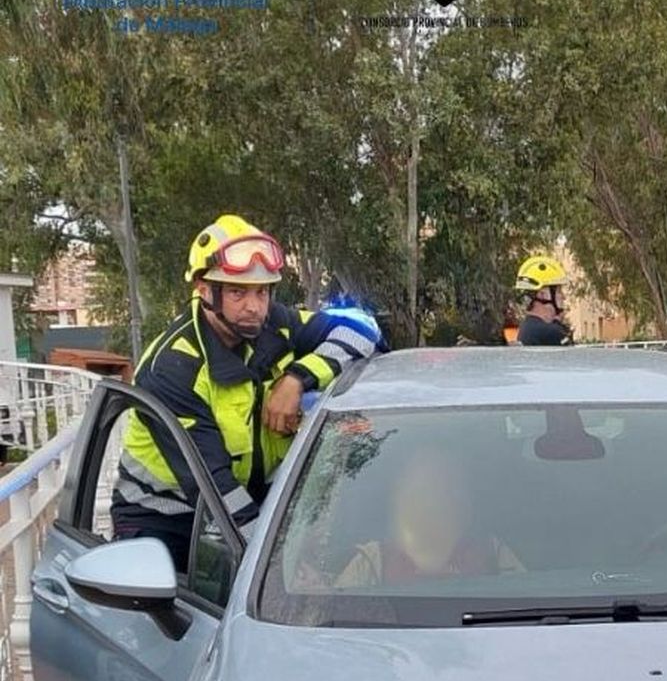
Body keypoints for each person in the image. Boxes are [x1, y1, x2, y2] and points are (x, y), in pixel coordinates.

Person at [113, 215, 384, 566]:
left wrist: (297, 378)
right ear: (205, 290)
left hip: (251, 505)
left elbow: (361, 330)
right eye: (238, 292)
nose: (254, 306)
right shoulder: (173, 370)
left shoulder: (274, 323)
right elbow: (216, 492)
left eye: (262, 291)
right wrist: (276, 567)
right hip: (162, 520)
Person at [336, 445, 520, 586]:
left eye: (448, 489)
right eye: (424, 491)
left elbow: (522, 599)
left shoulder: (491, 552)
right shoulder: (373, 560)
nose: (435, 501)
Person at [514, 253, 574, 346]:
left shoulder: (527, 326)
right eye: (558, 291)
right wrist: (558, 326)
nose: (563, 297)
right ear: (542, 295)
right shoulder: (550, 332)